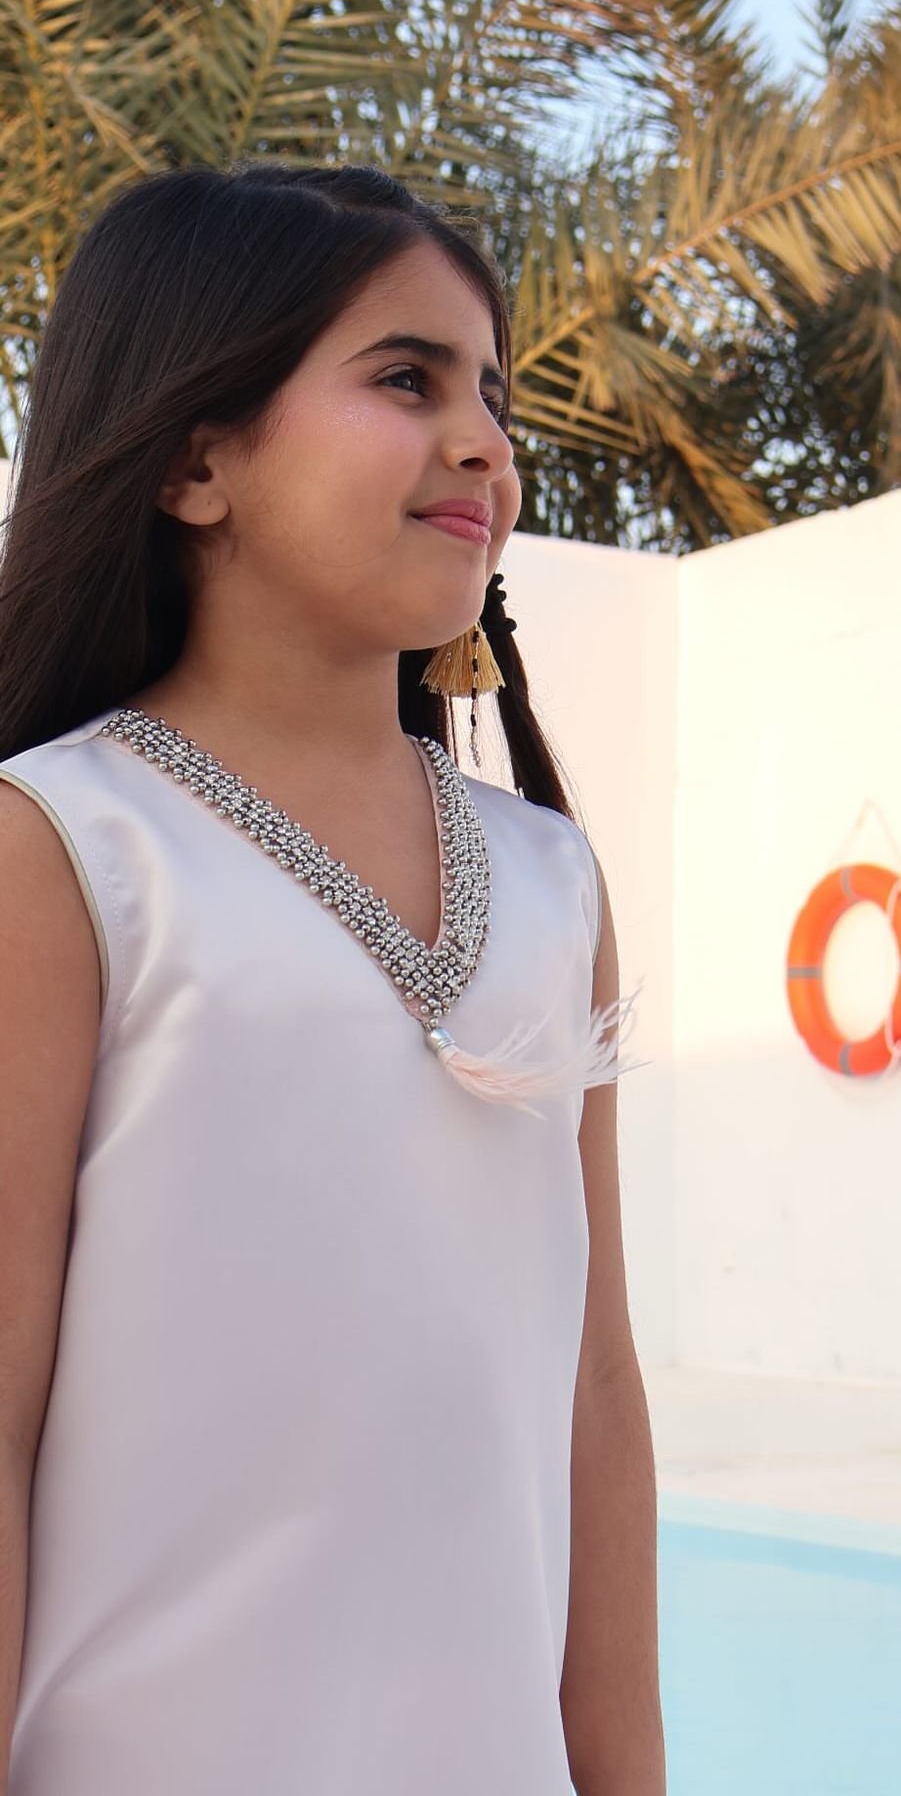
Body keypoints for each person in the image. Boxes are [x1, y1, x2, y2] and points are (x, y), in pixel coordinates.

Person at [0, 162, 666, 1794]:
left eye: (492, 394)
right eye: (406, 379)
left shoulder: (552, 882)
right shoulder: (63, 848)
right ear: (195, 461)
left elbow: (593, 1393)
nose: (483, 442)